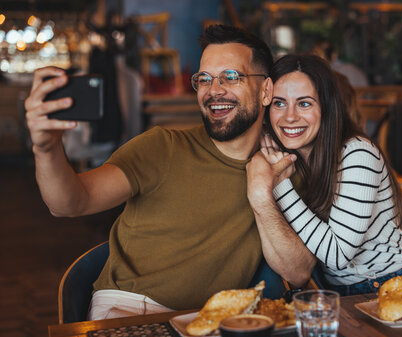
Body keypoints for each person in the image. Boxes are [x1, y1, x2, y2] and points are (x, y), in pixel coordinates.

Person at [24, 25, 309, 320]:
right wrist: (46, 148)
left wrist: (261, 193)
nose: (214, 90)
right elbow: (68, 203)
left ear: (265, 91)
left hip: (210, 324)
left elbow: (298, 273)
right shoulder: (162, 147)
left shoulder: (280, 169)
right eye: (205, 79)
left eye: (231, 77)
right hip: (131, 310)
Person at [246, 54, 402, 296]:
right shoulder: (297, 158)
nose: (289, 116)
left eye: (304, 103)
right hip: (339, 292)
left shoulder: (358, 153)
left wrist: (279, 184)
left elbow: (337, 255)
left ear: (326, 107)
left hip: (394, 283)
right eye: (279, 103)